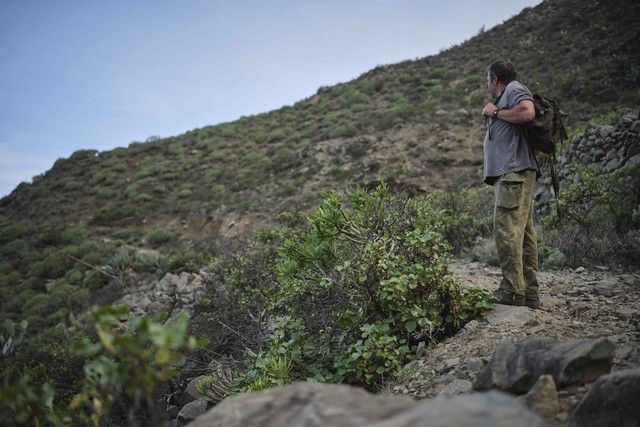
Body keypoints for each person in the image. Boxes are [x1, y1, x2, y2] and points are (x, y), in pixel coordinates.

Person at [481, 60, 541, 309]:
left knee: (506, 230)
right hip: (515, 173)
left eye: (487, 78)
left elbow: (527, 112)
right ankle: (529, 293)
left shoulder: (514, 89)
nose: (487, 83)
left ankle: (512, 290)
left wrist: (494, 112)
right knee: (523, 234)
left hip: (514, 172)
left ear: (494, 78)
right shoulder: (508, 94)